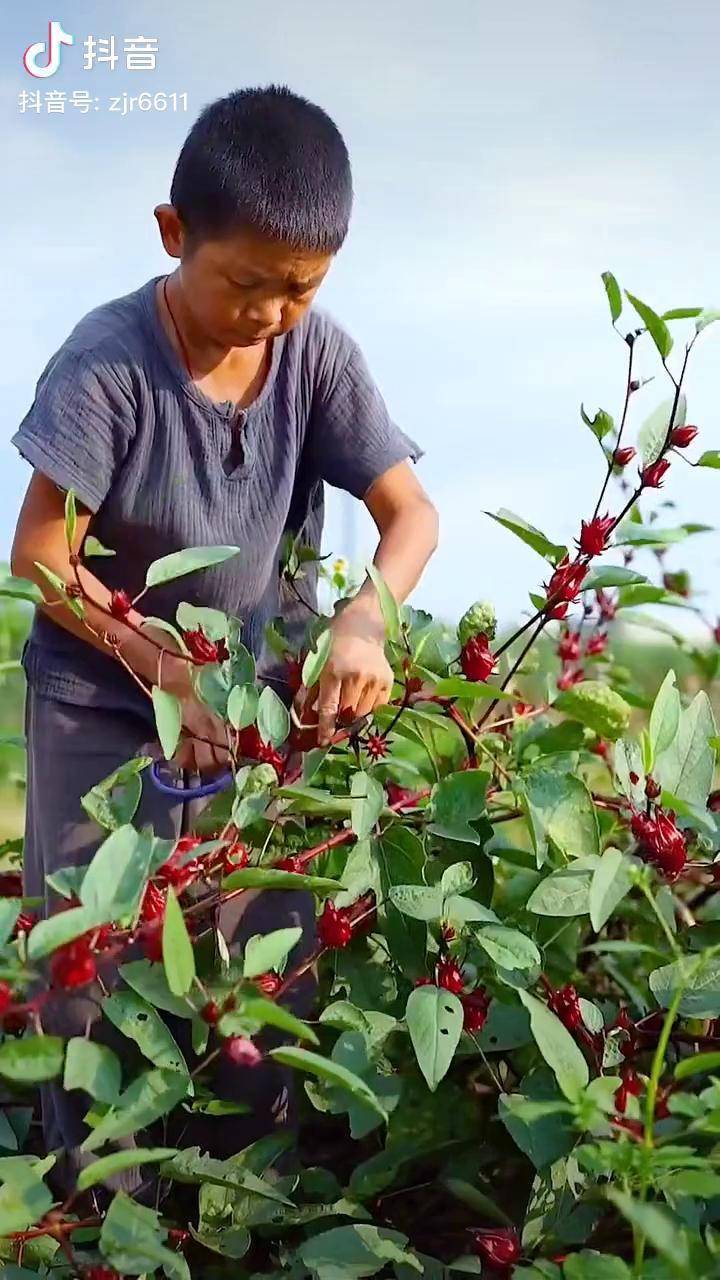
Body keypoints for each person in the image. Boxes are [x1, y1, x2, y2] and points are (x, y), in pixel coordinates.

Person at [10, 84, 438, 1189]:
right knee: (91, 962)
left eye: (298, 289)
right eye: (244, 283)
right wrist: (164, 670)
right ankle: (99, 1218)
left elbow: (412, 515)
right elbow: (43, 562)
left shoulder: (317, 356)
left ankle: (246, 1209)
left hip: (253, 709)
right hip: (101, 700)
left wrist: (365, 615)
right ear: (172, 235)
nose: (269, 315)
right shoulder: (108, 363)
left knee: (260, 964)